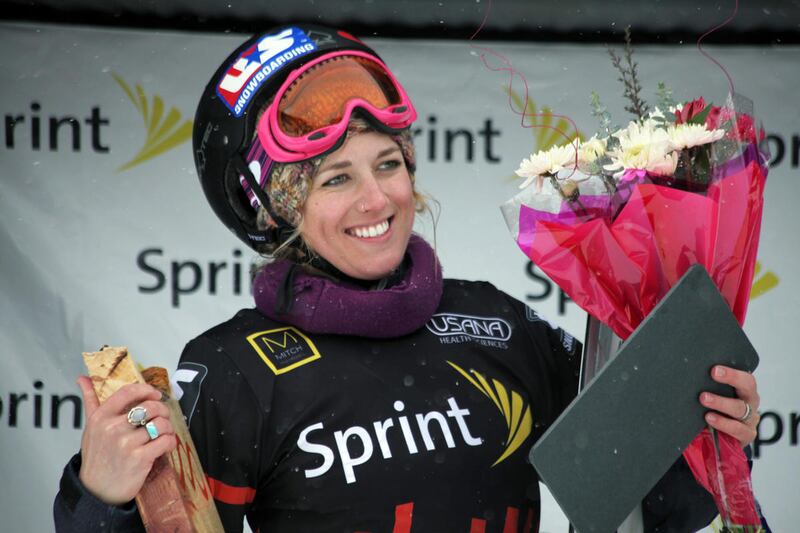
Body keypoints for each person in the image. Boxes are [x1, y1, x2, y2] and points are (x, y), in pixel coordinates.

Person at [54, 24, 764, 532]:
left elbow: (661, 506)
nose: (377, 199)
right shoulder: (235, 368)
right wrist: (100, 495)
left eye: (388, 164)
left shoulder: (502, 327)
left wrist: (708, 429)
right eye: (336, 178)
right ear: (275, 210)